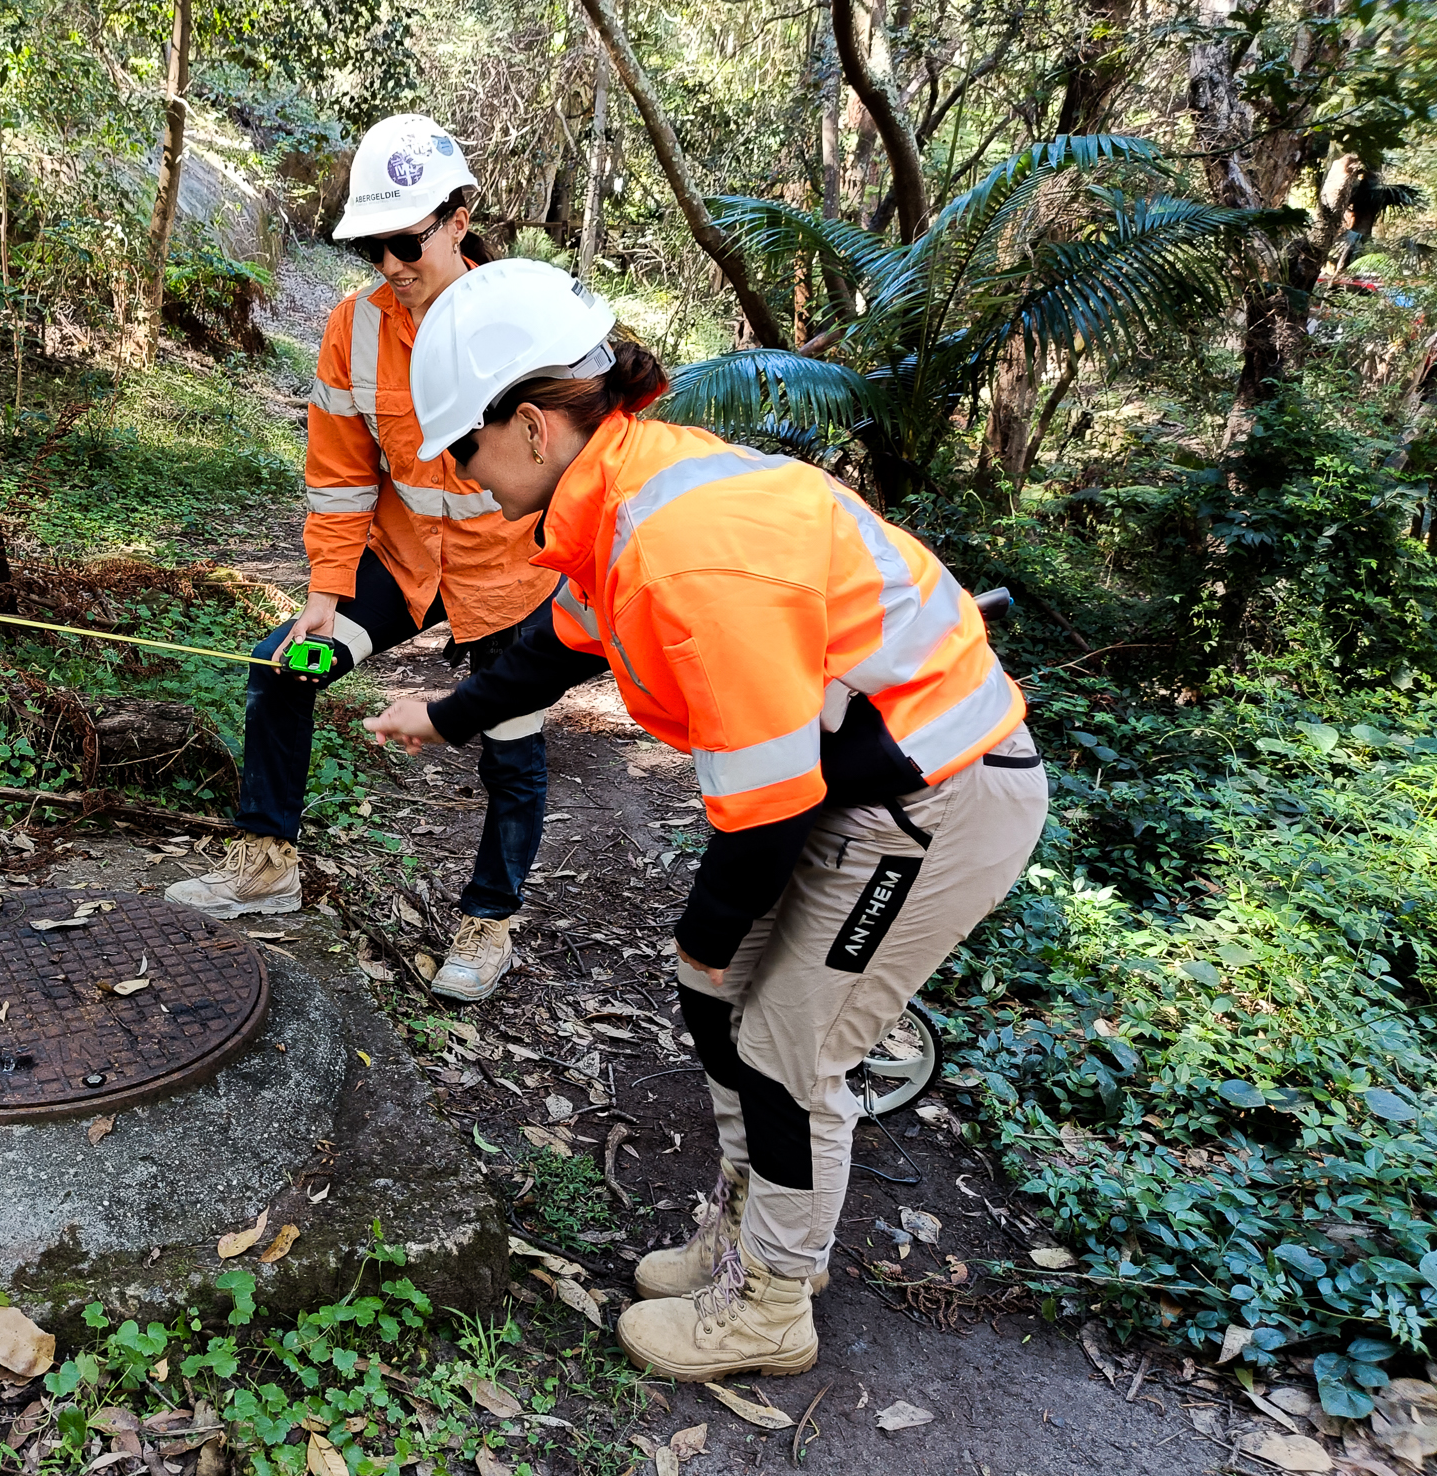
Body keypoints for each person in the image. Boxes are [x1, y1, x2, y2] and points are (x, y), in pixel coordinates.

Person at [361, 259, 1050, 1381]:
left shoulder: (687, 552)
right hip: (863, 783)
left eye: (461, 449)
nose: (457, 476)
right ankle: (751, 1242)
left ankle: (772, 1305)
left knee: (784, 1044)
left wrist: (701, 940)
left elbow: (766, 813)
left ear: (530, 428)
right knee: (725, 1003)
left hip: (939, 799)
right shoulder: (627, 494)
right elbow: (554, 644)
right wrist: (439, 719)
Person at [166, 115, 559, 1003]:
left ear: (460, 218)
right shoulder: (358, 326)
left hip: (512, 576)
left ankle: (489, 920)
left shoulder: (528, 322)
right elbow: (341, 476)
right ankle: (267, 864)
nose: (390, 264)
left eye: (406, 241)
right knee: (282, 667)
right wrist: (325, 590)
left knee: (511, 741)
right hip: (406, 562)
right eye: (372, 247)